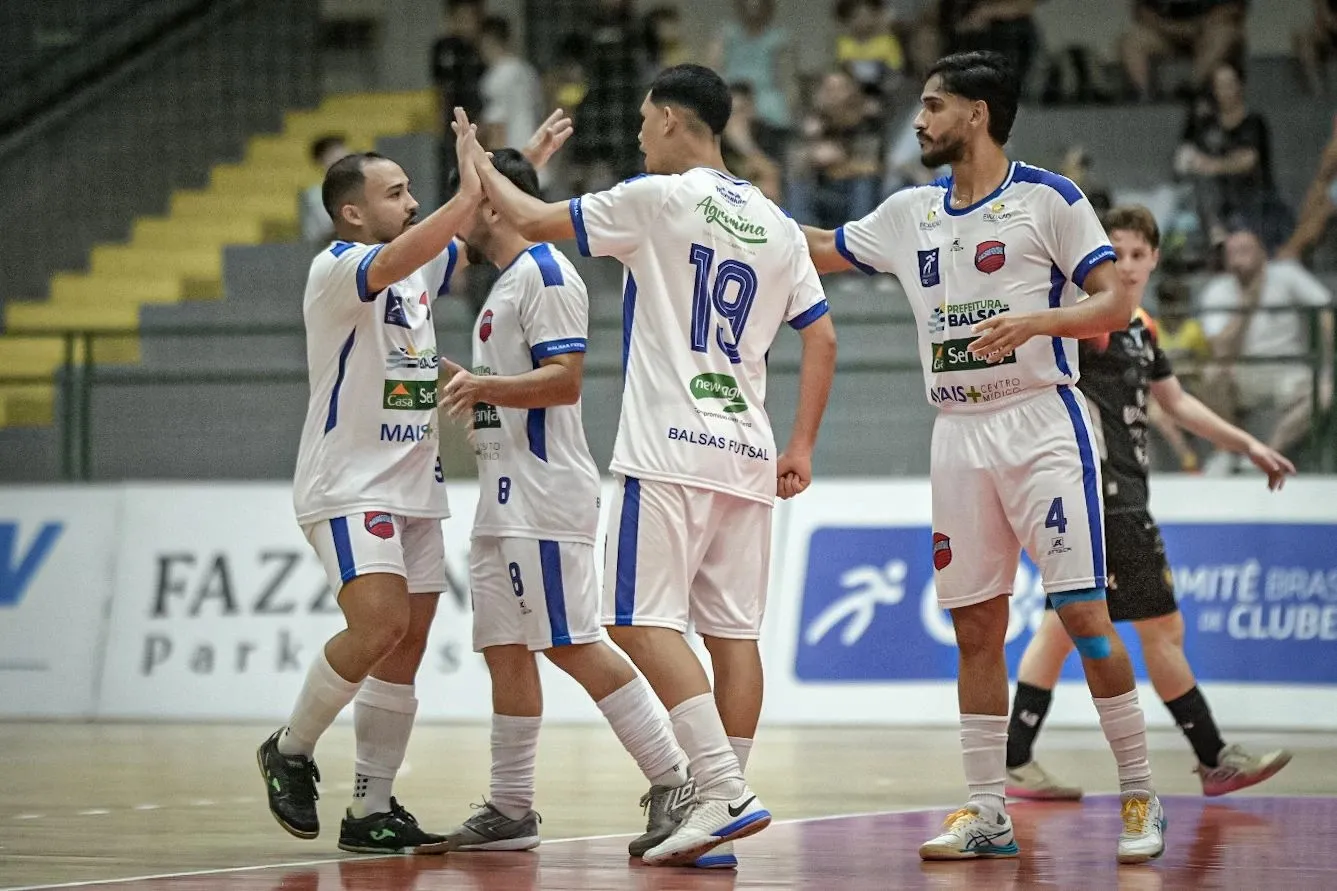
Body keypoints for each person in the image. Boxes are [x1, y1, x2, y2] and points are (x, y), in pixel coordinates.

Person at [456, 63, 838, 868]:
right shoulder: (774, 221)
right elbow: (822, 334)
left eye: (639, 120)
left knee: (634, 619)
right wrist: (800, 444)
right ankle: (715, 807)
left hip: (668, 447)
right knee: (733, 635)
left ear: (668, 119)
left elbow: (529, 218)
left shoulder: (658, 197)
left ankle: (720, 788)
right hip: (747, 450)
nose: (635, 136)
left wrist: (478, 160)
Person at [801, 51, 1167, 864]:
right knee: (975, 627)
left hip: (1041, 425)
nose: (918, 120)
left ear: (976, 114)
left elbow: (1113, 302)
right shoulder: (908, 212)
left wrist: (1035, 322)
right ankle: (988, 810)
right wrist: (726, 213)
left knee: (1084, 616)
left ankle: (1141, 792)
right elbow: (819, 246)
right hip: (958, 433)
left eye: (932, 105)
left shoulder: (1050, 199)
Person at [256, 111, 572, 855]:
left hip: (416, 485)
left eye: (410, 191)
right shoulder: (338, 267)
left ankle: (370, 807)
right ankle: (290, 748)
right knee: (377, 625)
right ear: (351, 212)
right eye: (395, 193)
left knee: (404, 644)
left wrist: (513, 167)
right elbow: (431, 239)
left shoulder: (417, 266)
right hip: (350, 484)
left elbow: (461, 236)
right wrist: (468, 189)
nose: (411, 201)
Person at [430, 145, 696, 860]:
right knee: (504, 649)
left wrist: (485, 387)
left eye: (466, 199)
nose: (457, 214)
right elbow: (512, 390)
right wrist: (466, 385)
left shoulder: (546, 273)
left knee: (570, 641)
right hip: (502, 496)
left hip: (544, 496)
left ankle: (675, 778)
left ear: (492, 204)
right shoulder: (506, 284)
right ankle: (510, 807)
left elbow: (564, 380)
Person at [1004, 205, 1296, 803]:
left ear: (1156, 259)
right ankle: (1214, 757)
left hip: (1113, 496)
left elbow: (1177, 403)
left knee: (1060, 626)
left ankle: (1013, 757)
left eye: (1139, 254)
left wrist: (1247, 445)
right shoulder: (1090, 319)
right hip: (1105, 497)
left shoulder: (1142, 326)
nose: (1129, 265)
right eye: (1116, 253)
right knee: (1163, 627)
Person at [1198, 227, 1334, 472]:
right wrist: (1247, 304)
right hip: (1243, 370)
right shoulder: (1217, 290)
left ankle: (1268, 454)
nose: (1239, 258)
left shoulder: (1287, 274)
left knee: (1324, 392)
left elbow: (1324, 309)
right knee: (1210, 375)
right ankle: (1230, 451)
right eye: (1233, 253)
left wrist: (1327, 356)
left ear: (1262, 253)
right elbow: (1220, 349)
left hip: (1290, 370)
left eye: (1245, 250)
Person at [477, 16, 541, 152]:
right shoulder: (528, 72)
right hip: (533, 154)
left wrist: (496, 162)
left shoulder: (495, 77)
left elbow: (497, 127)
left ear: (486, 41)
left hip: (510, 157)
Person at [301, 135, 351, 245]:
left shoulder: (360, 187)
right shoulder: (316, 194)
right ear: (322, 162)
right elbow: (329, 226)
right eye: (334, 154)